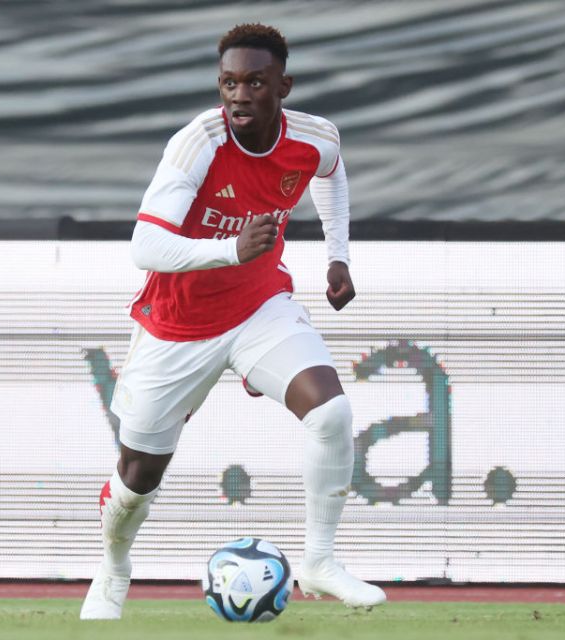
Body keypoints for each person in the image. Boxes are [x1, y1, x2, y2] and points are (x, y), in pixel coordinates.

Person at [80, 23, 386, 620]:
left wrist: (338, 255)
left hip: (257, 307)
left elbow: (332, 173)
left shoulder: (312, 137)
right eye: (228, 83)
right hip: (176, 324)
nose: (239, 95)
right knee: (137, 478)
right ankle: (114, 566)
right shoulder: (197, 143)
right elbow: (145, 246)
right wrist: (229, 250)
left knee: (331, 411)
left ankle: (319, 562)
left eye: (253, 82)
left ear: (282, 86)